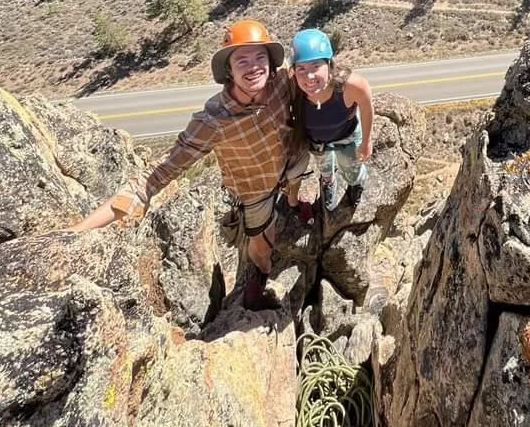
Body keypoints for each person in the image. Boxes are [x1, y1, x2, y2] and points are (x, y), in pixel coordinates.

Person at [72, 19, 314, 310]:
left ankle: (292, 199)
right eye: (242, 60)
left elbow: (319, 77)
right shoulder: (213, 121)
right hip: (255, 189)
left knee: (302, 158)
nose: (254, 67)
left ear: (271, 62)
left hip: (287, 160)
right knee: (263, 246)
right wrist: (75, 236)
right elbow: (155, 177)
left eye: (260, 57)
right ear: (229, 70)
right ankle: (257, 284)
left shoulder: (281, 85)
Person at [290, 28, 374, 213]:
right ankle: (328, 182)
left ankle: (355, 184)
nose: (309, 77)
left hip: (347, 136)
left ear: (329, 64)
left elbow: (367, 108)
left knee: (351, 170)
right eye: (301, 69)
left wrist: (366, 142)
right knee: (325, 169)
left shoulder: (350, 86)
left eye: (315, 66)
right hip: (317, 141)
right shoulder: (293, 87)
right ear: (294, 71)